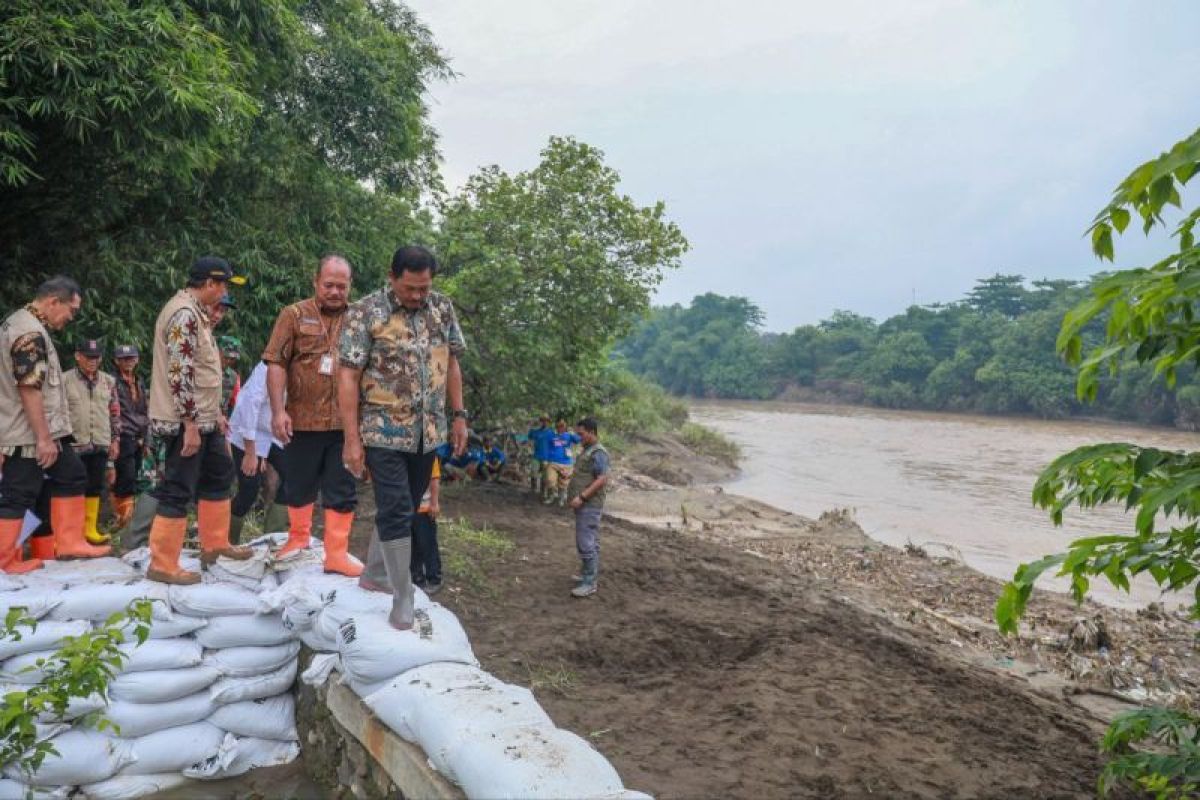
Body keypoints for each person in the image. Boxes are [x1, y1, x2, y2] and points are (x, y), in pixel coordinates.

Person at [339, 245, 468, 629]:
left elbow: (453, 361)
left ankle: (375, 574)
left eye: (423, 288)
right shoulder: (365, 313)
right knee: (395, 508)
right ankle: (403, 594)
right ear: (392, 277)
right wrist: (351, 437)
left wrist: (459, 415)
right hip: (383, 430)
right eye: (410, 288)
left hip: (428, 433)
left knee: (407, 506)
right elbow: (347, 375)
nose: (417, 296)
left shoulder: (442, 309)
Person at [145, 257, 251, 584]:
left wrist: (215, 412)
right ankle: (162, 563)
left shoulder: (198, 314)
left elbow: (204, 371)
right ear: (209, 284)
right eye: (222, 287)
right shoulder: (185, 315)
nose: (223, 294)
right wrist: (190, 423)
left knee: (220, 474)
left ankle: (215, 545)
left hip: (205, 418)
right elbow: (180, 373)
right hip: (184, 422)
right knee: (178, 488)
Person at [0, 276, 109, 571]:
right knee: (18, 492)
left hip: (36, 429)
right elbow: (29, 387)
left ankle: (70, 543)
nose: (70, 318)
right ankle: (6, 561)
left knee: (71, 475)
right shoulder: (29, 333)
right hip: (28, 433)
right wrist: (44, 438)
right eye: (71, 311)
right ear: (53, 302)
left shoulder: (22, 324)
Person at [263, 254, 359, 575]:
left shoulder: (360, 319)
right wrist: (278, 411)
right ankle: (298, 538)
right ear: (316, 283)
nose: (335, 291)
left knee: (342, 488)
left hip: (346, 426)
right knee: (299, 483)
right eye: (329, 285)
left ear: (350, 287)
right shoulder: (292, 315)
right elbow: (276, 362)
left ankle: (336, 554)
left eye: (341, 286)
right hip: (301, 420)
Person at [62, 339, 120, 545]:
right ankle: (70, 533)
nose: (93, 361)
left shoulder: (108, 381)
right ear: (78, 356)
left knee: (94, 486)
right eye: (88, 357)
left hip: (100, 442)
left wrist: (115, 440)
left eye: (96, 357)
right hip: (74, 444)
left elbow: (114, 413)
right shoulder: (65, 380)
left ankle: (90, 530)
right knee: (72, 487)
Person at [227, 361, 287, 544]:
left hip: (270, 435)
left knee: (294, 476)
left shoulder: (291, 369)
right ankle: (228, 540)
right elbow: (248, 408)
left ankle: (272, 537)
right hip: (245, 435)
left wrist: (266, 453)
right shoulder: (264, 371)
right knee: (249, 489)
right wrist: (252, 453)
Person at [566, 417, 609, 598]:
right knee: (590, 540)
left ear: (592, 432)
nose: (579, 437)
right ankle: (587, 576)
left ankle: (590, 583)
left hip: (590, 504)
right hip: (585, 504)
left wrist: (582, 497)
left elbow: (602, 479)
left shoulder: (599, 453)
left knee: (585, 542)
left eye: (581, 434)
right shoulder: (587, 450)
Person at [111, 344, 147, 530]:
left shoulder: (139, 381)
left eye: (132, 358)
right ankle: (122, 519)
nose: (129, 362)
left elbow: (143, 409)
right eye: (125, 359)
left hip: (138, 435)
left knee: (135, 476)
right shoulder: (112, 382)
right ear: (117, 361)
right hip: (122, 434)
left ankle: (127, 518)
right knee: (125, 476)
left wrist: (144, 435)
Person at [410, 457, 442, 594]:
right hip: (410, 507)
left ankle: (434, 578)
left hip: (425, 507)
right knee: (413, 544)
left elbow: (434, 479)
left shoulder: (429, 454)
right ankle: (417, 577)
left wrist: (434, 503)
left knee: (428, 544)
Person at [543, 418, 581, 506]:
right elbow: (547, 447)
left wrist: (573, 433)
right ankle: (551, 496)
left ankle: (561, 499)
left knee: (564, 483)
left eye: (562, 426)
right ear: (556, 427)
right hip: (553, 462)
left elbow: (578, 440)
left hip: (566, 463)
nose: (561, 427)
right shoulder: (552, 435)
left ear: (565, 427)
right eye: (559, 426)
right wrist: (545, 459)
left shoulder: (569, 435)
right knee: (550, 480)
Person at [526, 415, 552, 496]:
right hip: (536, 456)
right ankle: (533, 490)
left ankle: (542, 492)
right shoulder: (536, 431)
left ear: (548, 422)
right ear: (541, 422)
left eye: (546, 421)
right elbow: (529, 436)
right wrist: (532, 425)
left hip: (546, 457)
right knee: (534, 472)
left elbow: (555, 444)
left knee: (544, 476)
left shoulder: (551, 433)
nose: (544, 422)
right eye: (543, 420)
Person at [217, 335, 241, 421]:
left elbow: (233, 403)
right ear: (218, 352)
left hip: (221, 423)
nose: (228, 361)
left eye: (232, 359)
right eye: (226, 357)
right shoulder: (205, 371)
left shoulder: (234, 377)